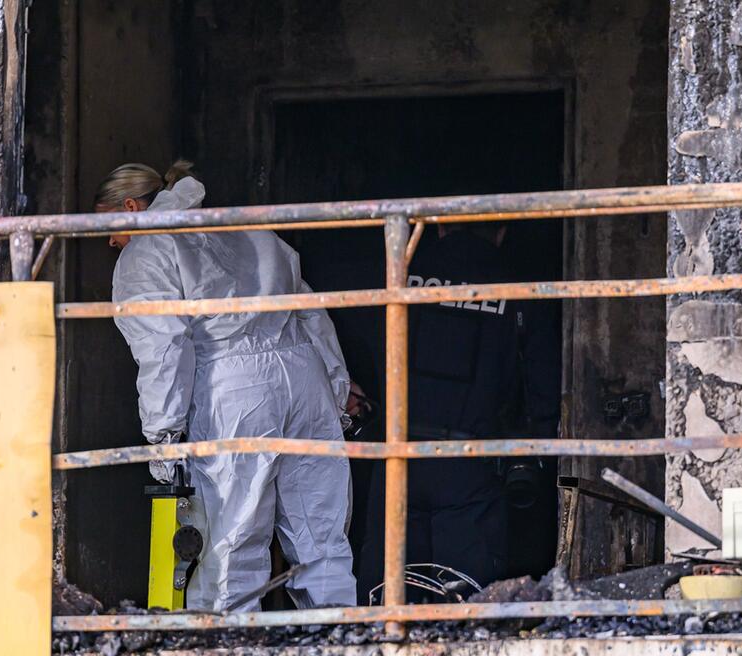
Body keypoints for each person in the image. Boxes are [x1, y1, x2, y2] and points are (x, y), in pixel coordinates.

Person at [99, 160, 357, 611]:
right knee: (322, 536)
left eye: (106, 223)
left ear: (131, 206)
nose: (107, 239)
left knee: (230, 544)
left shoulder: (145, 253)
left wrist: (163, 437)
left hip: (235, 391)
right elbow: (310, 310)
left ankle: (231, 651)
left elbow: (164, 348)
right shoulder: (243, 229)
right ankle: (343, 644)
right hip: (304, 378)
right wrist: (336, 391)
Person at [358, 221, 560, 604]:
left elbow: (366, 350)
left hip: (395, 456)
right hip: (471, 466)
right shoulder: (517, 288)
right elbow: (542, 382)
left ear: (439, 229)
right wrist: (540, 456)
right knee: (466, 599)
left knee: (388, 594)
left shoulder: (398, 278)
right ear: (501, 232)